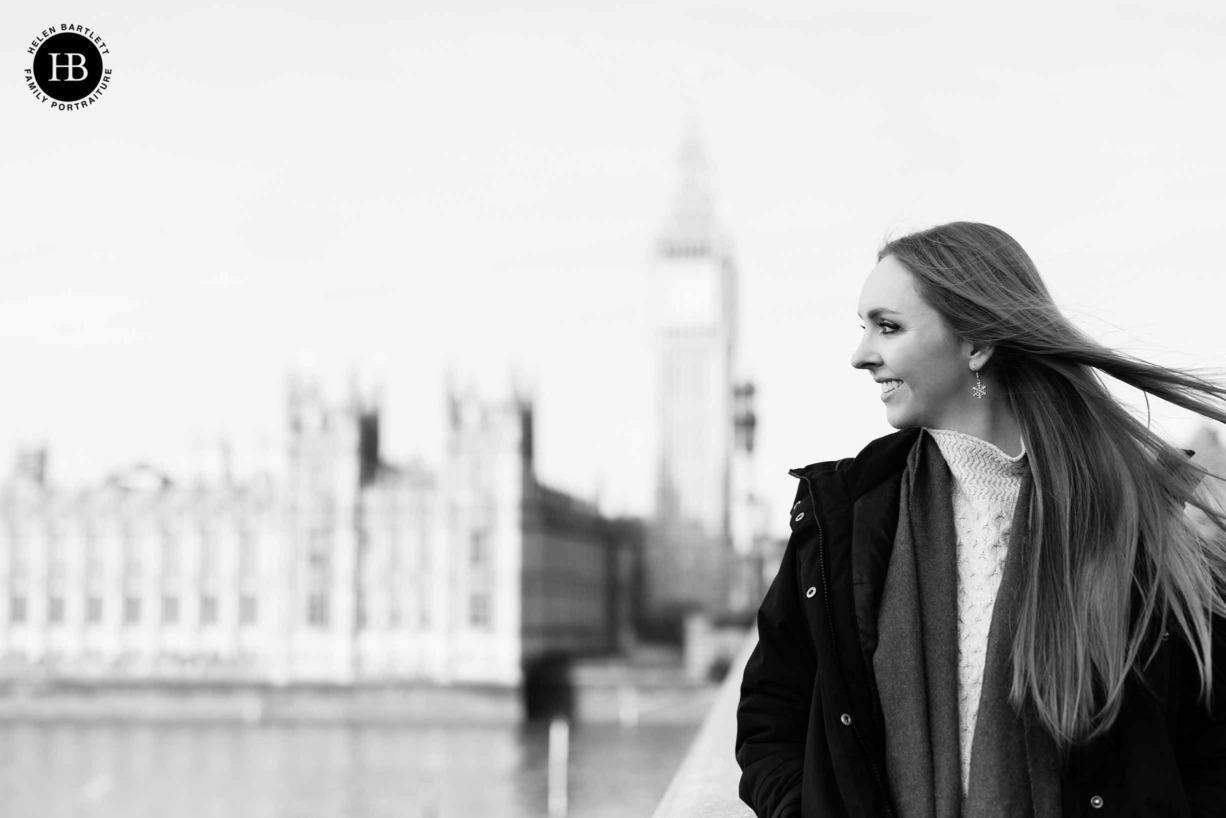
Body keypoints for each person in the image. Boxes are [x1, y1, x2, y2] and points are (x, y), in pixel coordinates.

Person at [735, 222, 1226, 817]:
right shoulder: (842, 516)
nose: (861, 354)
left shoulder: (1136, 523)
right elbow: (771, 717)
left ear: (976, 344)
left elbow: (1208, 749)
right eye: (863, 327)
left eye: (887, 326)